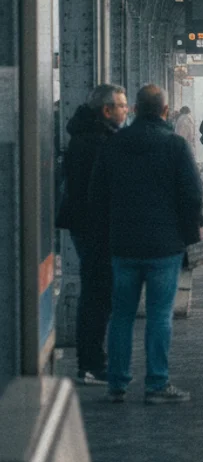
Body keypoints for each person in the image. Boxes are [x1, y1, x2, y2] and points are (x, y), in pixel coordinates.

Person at [90, 84, 203, 404]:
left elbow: (97, 196)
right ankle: (156, 383)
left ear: (136, 109)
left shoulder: (113, 145)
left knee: (121, 315)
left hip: (123, 245)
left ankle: (117, 382)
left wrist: (106, 236)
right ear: (166, 111)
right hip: (164, 246)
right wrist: (191, 236)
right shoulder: (176, 146)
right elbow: (193, 196)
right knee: (158, 316)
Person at [56, 84, 128, 385]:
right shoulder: (97, 142)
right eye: (122, 106)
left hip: (86, 227)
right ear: (106, 110)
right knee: (98, 297)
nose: (127, 110)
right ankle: (91, 364)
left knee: (97, 295)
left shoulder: (86, 136)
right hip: (95, 229)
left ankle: (92, 361)